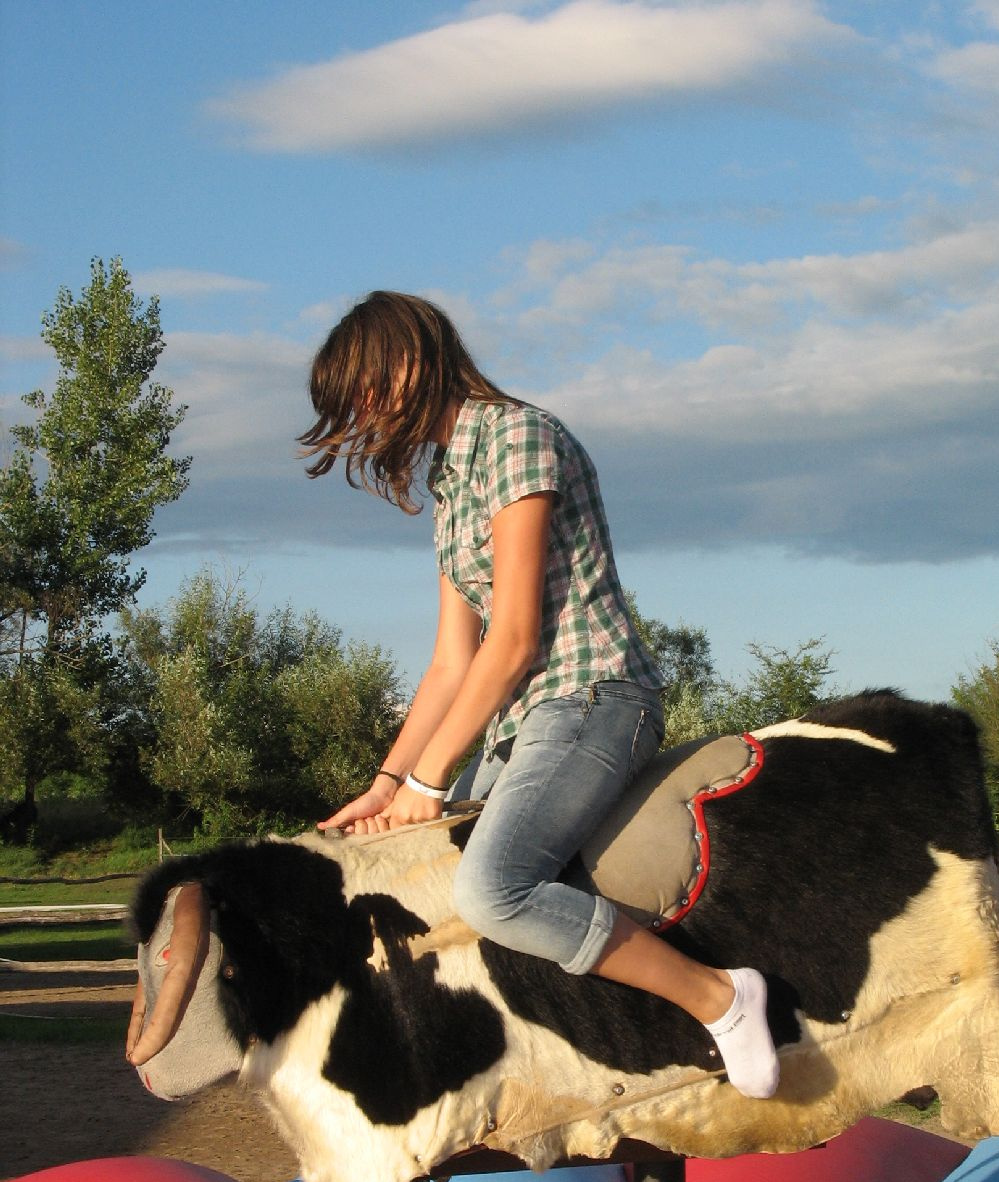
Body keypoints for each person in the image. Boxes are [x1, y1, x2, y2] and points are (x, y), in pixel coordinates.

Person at [302, 292, 779, 1099]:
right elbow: (452, 664)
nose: (365, 416)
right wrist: (389, 784)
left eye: (367, 392)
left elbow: (516, 637)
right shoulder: (453, 480)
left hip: (594, 696)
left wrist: (430, 783)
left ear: (411, 362)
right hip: (518, 726)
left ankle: (724, 999)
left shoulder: (520, 438)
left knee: (494, 888)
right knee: (413, 864)